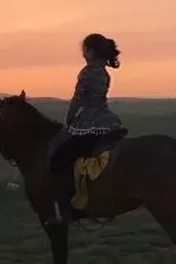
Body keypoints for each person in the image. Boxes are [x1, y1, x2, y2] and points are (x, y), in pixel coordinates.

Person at [46, 33, 128, 224]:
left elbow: (77, 100)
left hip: (90, 124)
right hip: (108, 121)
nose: (83, 53)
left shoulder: (87, 72)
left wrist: (69, 119)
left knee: (58, 160)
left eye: (84, 49)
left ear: (90, 51)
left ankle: (64, 210)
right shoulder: (104, 72)